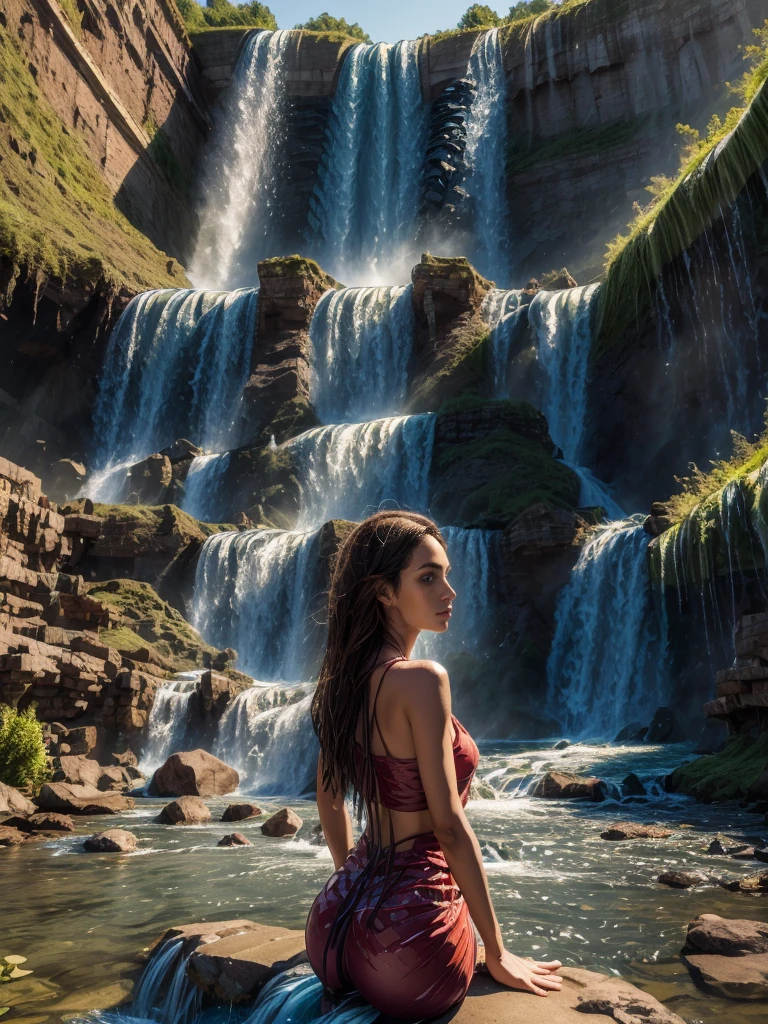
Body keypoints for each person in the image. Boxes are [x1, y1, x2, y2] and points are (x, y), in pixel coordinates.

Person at [305, 510, 563, 1020]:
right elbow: (447, 824)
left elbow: (328, 798)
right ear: (383, 592)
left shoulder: (344, 681)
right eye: (428, 578)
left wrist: (353, 893)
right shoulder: (422, 679)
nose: (449, 591)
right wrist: (498, 951)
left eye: (445, 575)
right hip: (410, 942)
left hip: (333, 927)